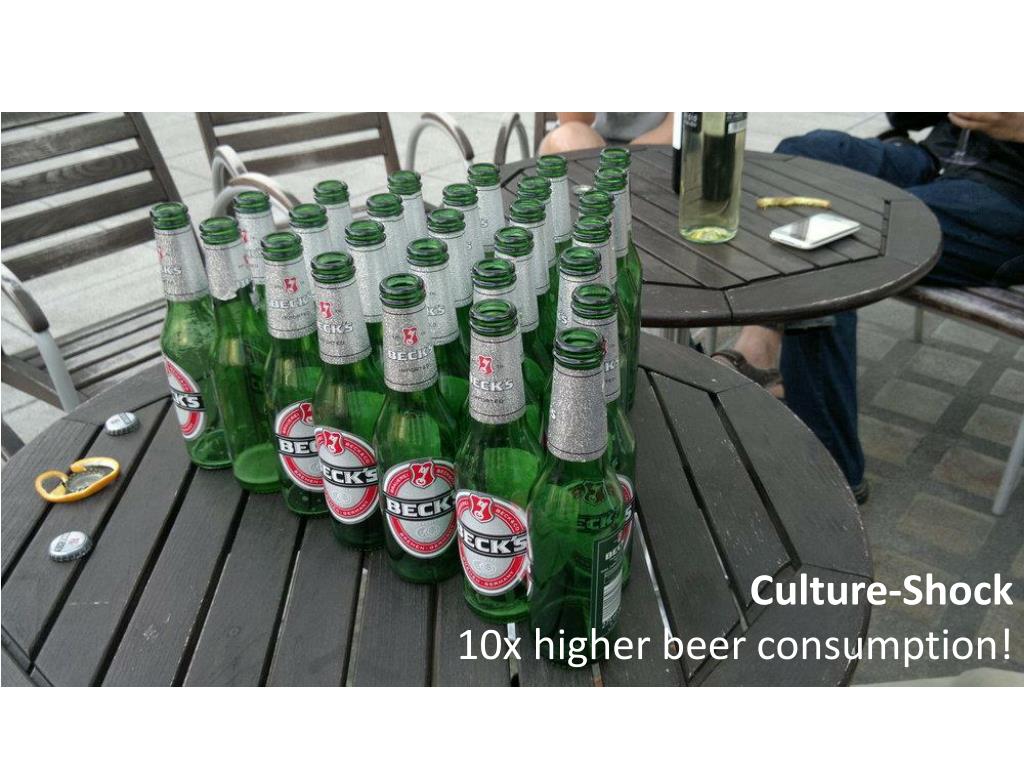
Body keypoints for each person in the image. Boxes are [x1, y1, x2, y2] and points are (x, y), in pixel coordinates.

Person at [712, 112, 1024, 503]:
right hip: (935, 160)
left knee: (841, 243)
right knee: (799, 158)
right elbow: (907, 117)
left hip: (1009, 198)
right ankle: (763, 346)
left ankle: (829, 474)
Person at [539, 112, 673, 154]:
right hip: (585, 139)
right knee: (569, 138)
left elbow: (674, 130)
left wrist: (621, 158)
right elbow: (574, 120)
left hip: (655, 147)